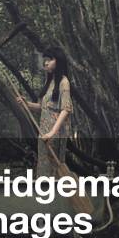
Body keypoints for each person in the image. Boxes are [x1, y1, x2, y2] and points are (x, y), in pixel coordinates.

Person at [20, 47, 74, 177]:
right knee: (44, 171)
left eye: (49, 60)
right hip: (44, 133)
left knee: (54, 172)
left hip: (54, 135)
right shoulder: (50, 82)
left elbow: (66, 109)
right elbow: (42, 107)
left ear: (58, 61)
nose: (45, 63)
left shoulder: (64, 82)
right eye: (45, 60)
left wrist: (51, 133)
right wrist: (25, 103)